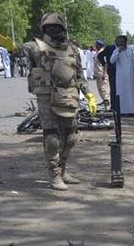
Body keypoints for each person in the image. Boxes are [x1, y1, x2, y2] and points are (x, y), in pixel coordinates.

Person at [17, 13, 97, 191]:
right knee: (52, 137)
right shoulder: (35, 47)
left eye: (57, 27)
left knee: (71, 137)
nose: (53, 30)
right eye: (49, 27)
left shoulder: (72, 49)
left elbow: (79, 76)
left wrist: (89, 95)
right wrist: (13, 47)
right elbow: (19, 49)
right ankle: (54, 174)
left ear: (63, 28)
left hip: (69, 94)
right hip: (46, 96)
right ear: (44, 29)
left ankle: (63, 169)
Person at [110, 35, 134, 116]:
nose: (120, 43)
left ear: (125, 42)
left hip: (129, 76)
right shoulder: (116, 50)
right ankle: (121, 112)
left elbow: (133, 62)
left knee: (130, 94)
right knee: (121, 93)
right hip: (120, 76)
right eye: (119, 41)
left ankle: (131, 111)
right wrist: (118, 52)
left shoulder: (130, 50)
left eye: (122, 41)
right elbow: (111, 60)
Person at [94, 40, 112, 108]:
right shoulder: (97, 52)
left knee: (103, 87)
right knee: (100, 88)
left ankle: (106, 100)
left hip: (102, 73)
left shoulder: (102, 52)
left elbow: (105, 64)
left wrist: (104, 74)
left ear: (99, 45)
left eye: (96, 44)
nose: (95, 45)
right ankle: (104, 100)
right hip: (98, 73)